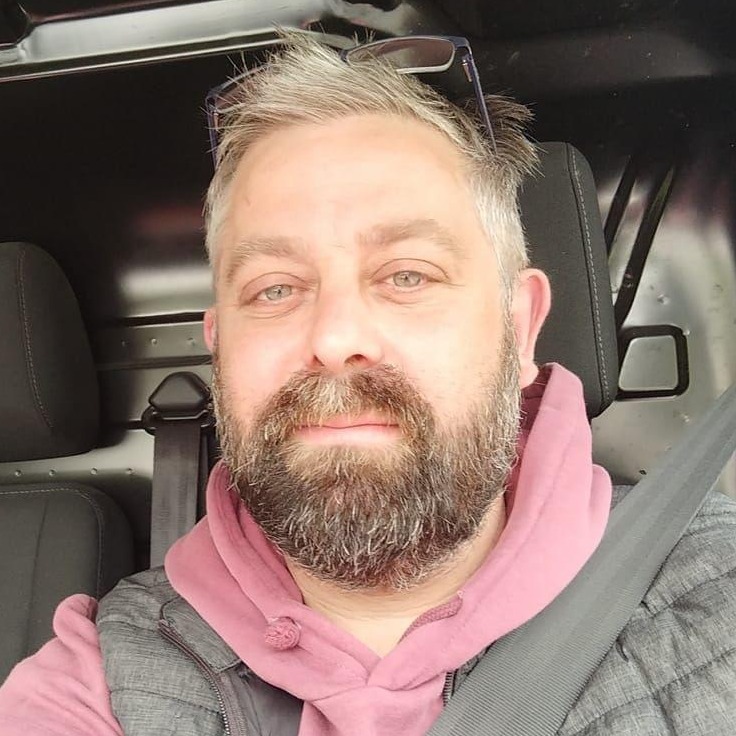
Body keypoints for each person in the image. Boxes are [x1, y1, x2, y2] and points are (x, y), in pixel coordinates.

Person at [0, 32, 734, 736]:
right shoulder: (100, 677)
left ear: (520, 329)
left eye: (407, 275)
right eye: (275, 289)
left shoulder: (716, 603)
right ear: (220, 348)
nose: (334, 338)